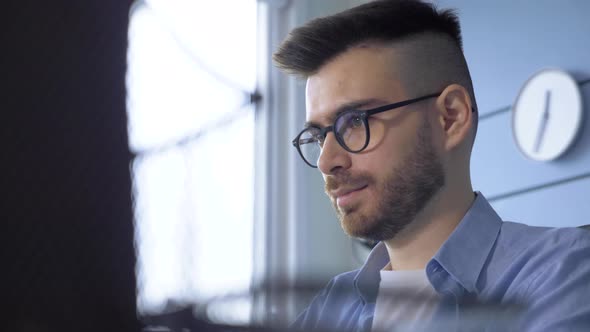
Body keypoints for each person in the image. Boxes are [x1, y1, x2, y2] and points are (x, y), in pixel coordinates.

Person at [272, 0, 590, 331]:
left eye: (354, 120)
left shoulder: (564, 271)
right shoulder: (330, 307)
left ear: (450, 117)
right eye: (319, 135)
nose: (326, 160)